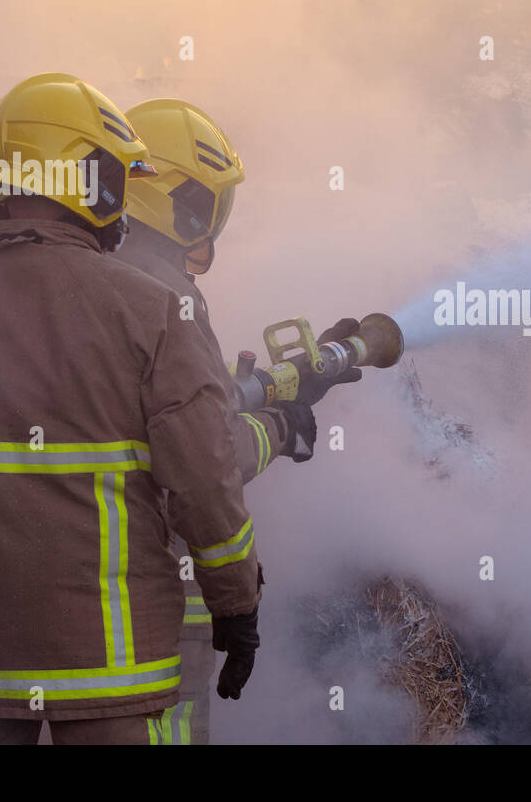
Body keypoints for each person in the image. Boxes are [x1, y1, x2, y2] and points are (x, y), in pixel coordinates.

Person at [0, 74, 261, 744]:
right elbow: (205, 481)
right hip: (116, 677)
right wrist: (237, 606)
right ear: (87, 177)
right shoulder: (154, 312)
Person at [118, 97, 358, 743]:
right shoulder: (166, 296)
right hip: (148, 601)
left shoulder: (88, 273)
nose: (211, 225)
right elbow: (205, 456)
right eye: (207, 204)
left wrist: (268, 386)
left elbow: (166, 407)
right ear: (170, 196)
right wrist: (282, 428)